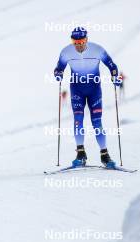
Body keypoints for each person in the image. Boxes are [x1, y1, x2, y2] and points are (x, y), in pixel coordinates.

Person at [54, 27, 121, 168]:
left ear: (86, 39)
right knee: (78, 120)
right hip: (77, 90)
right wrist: (58, 73)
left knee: (97, 121)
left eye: (81, 41)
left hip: (94, 90)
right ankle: (81, 153)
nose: (78, 45)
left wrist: (115, 76)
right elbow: (59, 68)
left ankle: (105, 155)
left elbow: (112, 66)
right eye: (75, 42)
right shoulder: (66, 52)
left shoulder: (97, 50)